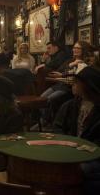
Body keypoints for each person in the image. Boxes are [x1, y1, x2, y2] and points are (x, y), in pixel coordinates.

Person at [53, 66, 100, 195]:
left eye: (77, 83)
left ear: (87, 86)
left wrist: (83, 152)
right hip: (69, 151)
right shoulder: (71, 105)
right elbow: (57, 126)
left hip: (93, 157)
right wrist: (66, 144)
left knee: (78, 171)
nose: (74, 85)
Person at [40, 41, 93, 124]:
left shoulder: (86, 62)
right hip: (60, 84)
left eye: (78, 48)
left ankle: (47, 122)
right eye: (74, 48)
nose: (75, 50)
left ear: (83, 50)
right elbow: (59, 71)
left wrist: (62, 74)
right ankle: (44, 120)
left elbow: (73, 76)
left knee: (50, 99)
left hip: (69, 87)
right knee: (42, 97)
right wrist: (71, 64)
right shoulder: (70, 60)